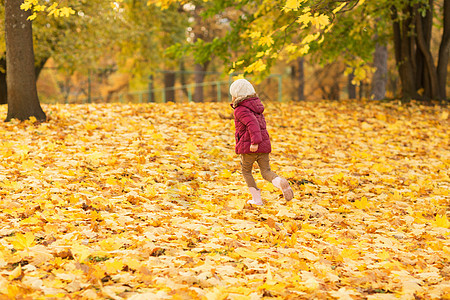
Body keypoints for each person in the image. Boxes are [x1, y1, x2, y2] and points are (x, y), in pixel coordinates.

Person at [229, 78, 294, 206]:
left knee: (246, 171)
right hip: (263, 147)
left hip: (250, 147)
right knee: (266, 172)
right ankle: (279, 181)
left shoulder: (241, 109)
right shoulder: (256, 107)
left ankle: (257, 200)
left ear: (236, 94)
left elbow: (253, 125)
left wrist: (255, 142)